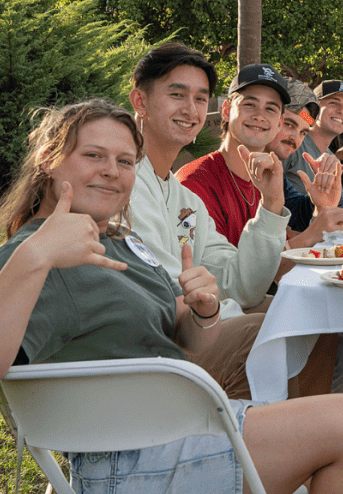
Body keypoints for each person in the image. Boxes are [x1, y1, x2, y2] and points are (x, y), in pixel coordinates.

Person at [0, 98, 343, 494]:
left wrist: (203, 311)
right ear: (48, 160)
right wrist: (33, 256)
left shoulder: (115, 239)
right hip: (124, 457)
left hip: (176, 424)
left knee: (338, 421)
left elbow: (188, 341)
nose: (112, 171)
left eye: (125, 161)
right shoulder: (34, 256)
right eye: (93, 155)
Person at [125, 43, 332, 400]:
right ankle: (293, 439)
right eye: (177, 94)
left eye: (199, 98)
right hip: (162, 346)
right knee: (280, 331)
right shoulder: (122, 183)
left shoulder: (181, 196)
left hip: (206, 321)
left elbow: (242, 284)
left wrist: (271, 206)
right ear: (140, 101)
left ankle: (306, 432)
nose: (190, 109)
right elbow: (166, 297)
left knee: (319, 317)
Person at [177, 64, 343, 248]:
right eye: (250, 104)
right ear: (226, 110)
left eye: (270, 109)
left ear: (277, 121)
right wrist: (312, 234)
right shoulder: (194, 185)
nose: (259, 116)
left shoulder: (268, 176)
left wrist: (321, 207)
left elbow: (276, 252)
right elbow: (228, 272)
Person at [284, 79, 343, 201]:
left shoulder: (332, 159)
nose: (341, 111)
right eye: (334, 103)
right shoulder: (293, 144)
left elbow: (341, 205)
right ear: (315, 107)